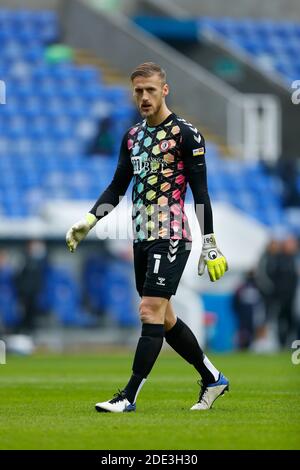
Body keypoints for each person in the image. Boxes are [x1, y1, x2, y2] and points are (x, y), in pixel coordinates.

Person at [66, 62, 229, 412]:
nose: (144, 96)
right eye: (138, 90)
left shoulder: (187, 135)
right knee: (164, 316)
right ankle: (214, 379)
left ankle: (128, 397)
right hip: (141, 234)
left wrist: (210, 243)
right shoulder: (132, 136)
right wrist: (89, 220)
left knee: (149, 309)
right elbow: (117, 187)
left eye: (150, 90)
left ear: (164, 90)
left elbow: (201, 193)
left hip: (171, 233)